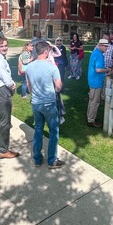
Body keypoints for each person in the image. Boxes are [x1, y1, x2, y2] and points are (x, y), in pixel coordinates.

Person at [26, 41, 64, 169]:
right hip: (49, 103)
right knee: (54, 130)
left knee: (38, 129)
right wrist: (55, 91)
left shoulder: (29, 67)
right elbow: (59, 86)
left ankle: (37, 158)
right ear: (46, 52)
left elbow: (29, 89)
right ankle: (52, 160)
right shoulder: (52, 67)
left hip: (36, 103)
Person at [0, 36, 19, 159]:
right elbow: (5, 78)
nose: (4, 48)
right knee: (5, 121)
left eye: (6, 46)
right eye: (1, 46)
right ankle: (3, 150)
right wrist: (12, 87)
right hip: (2, 91)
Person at [86, 38, 111, 127]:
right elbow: (98, 69)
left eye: (107, 47)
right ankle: (91, 120)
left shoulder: (96, 52)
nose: (106, 48)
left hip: (93, 80)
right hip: (96, 81)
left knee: (92, 100)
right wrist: (107, 69)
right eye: (105, 46)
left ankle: (90, 116)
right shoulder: (99, 55)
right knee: (95, 102)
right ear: (100, 45)